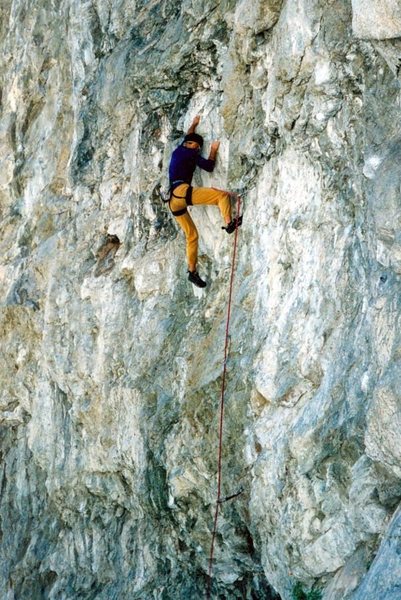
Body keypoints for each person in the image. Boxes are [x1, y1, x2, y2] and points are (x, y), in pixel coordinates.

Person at [168, 115, 242, 288]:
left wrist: (193, 124)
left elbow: (190, 135)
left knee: (192, 236)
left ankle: (192, 271)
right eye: (198, 146)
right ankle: (229, 223)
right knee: (221, 196)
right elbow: (209, 166)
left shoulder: (180, 149)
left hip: (173, 200)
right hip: (182, 193)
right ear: (194, 146)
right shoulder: (192, 153)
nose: (198, 148)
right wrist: (214, 150)